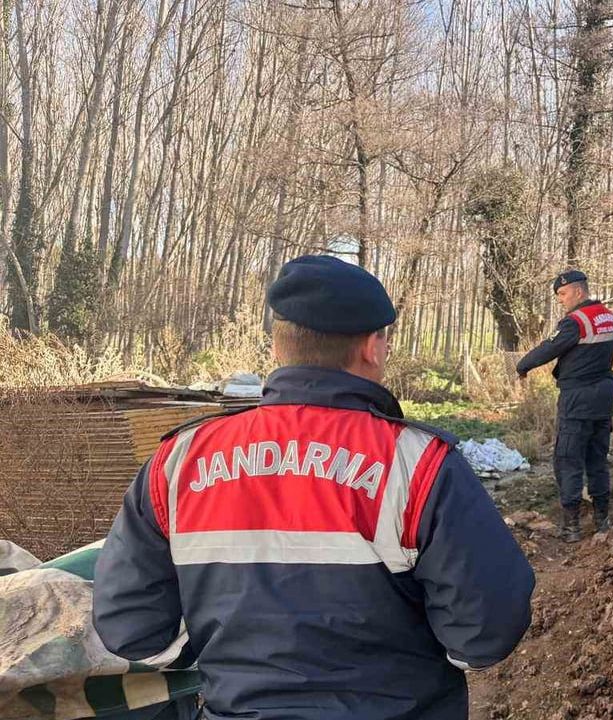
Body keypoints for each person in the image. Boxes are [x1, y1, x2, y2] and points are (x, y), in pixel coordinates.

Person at [93, 255, 536, 720]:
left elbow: (132, 625)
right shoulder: (417, 463)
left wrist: (218, 657)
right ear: (372, 347)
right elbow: (486, 631)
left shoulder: (178, 462)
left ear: (277, 348)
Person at [516, 270, 613, 542]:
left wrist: (522, 366)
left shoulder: (576, 321)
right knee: (597, 459)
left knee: (568, 458)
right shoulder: (608, 316)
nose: (560, 300)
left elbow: (550, 347)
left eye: (562, 294)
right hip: (604, 397)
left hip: (578, 398)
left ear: (578, 291)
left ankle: (571, 527)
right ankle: (602, 519)